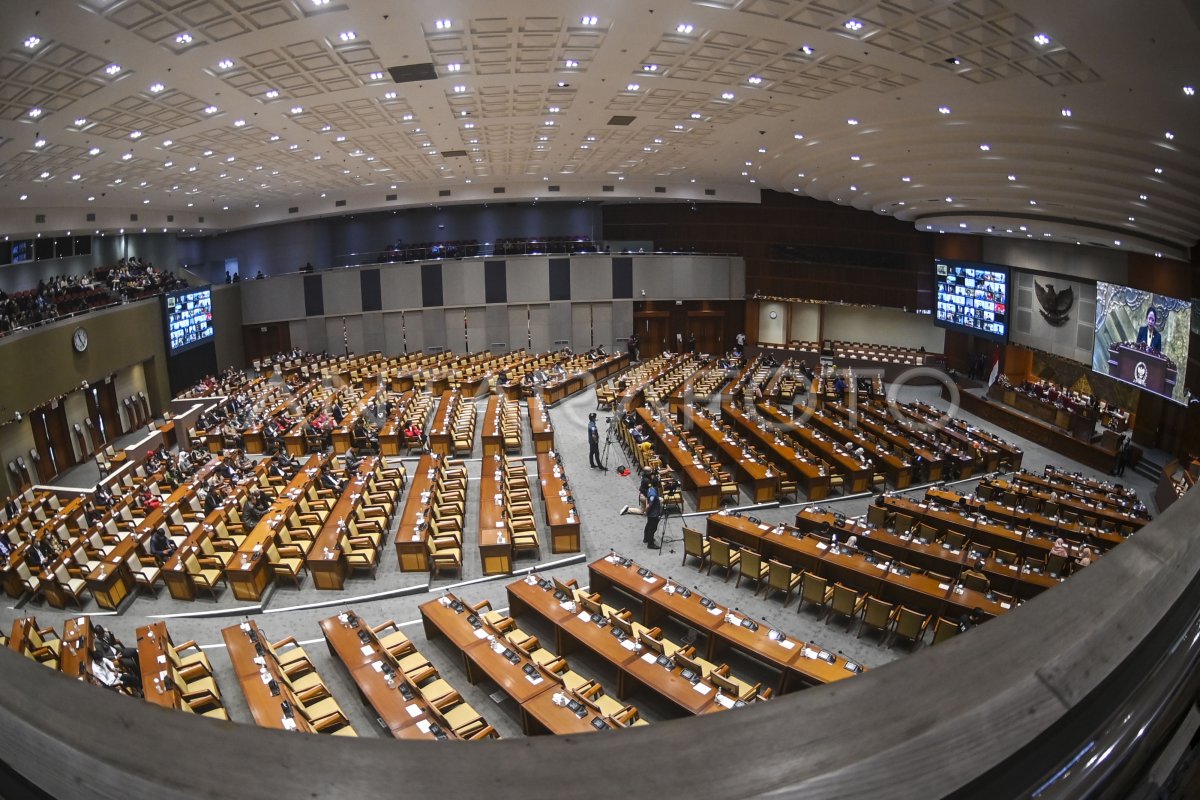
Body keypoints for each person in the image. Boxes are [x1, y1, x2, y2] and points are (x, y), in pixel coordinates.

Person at [642, 481, 662, 548]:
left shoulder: (650, 488)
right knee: (652, 528)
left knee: (648, 525)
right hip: (654, 514)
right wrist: (646, 512)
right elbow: (649, 505)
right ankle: (650, 544)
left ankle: (646, 538)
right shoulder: (653, 494)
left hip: (652, 512)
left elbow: (647, 500)